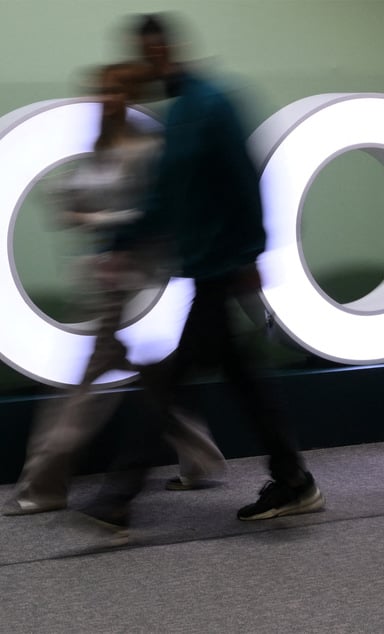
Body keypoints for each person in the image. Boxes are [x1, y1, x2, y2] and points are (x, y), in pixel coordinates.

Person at [79, 13, 323, 537]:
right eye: (146, 55)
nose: (151, 63)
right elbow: (163, 200)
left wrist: (251, 252)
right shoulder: (180, 114)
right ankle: (294, 479)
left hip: (220, 270)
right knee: (247, 382)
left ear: (169, 50)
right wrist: (119, 244)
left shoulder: (212, 104)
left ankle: (118, 497)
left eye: (156, 51)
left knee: (166, 382)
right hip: (204, 271)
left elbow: (243, 179)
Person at [2, 62, 225, 517]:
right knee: (146, 374)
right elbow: (73, 204)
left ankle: (42, 486)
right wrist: (82, 211)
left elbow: (151, 216)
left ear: (131, 98)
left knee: (83, 390)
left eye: (116, 91)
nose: (106, 99)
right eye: (101, 91)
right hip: (108, 280)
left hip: (131, 281)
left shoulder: (146, 151)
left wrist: (98, 220)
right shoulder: (102, 148)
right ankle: (203, 459)